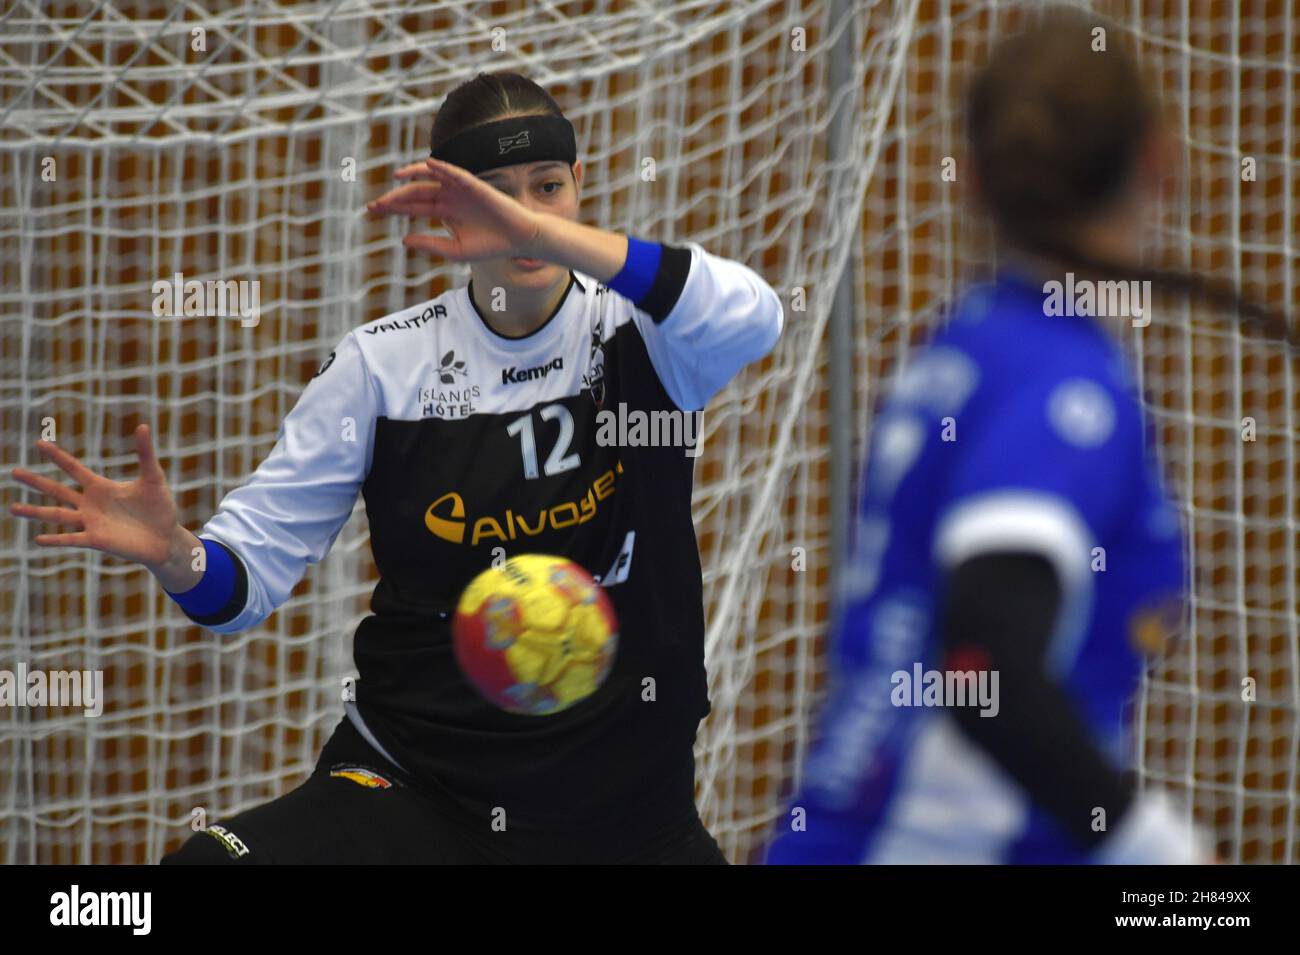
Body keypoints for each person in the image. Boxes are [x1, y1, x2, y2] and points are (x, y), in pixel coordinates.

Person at [11, 71, 783, 864]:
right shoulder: (384, 368)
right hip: (420, 785)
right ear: (453, 214)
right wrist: (179, 555)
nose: (524, 221)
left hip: (625, 815)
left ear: (578, 186)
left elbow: (757, 315)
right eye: (495, 201)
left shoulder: (646, 334)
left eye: (548, 189)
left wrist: (545, 234)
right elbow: (239, 587)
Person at [766, 8, 1219, 864]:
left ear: (971, 179)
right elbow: (984, 662)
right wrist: (1154, 849)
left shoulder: (967, 347)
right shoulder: (1060, 384)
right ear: (1160, 160)